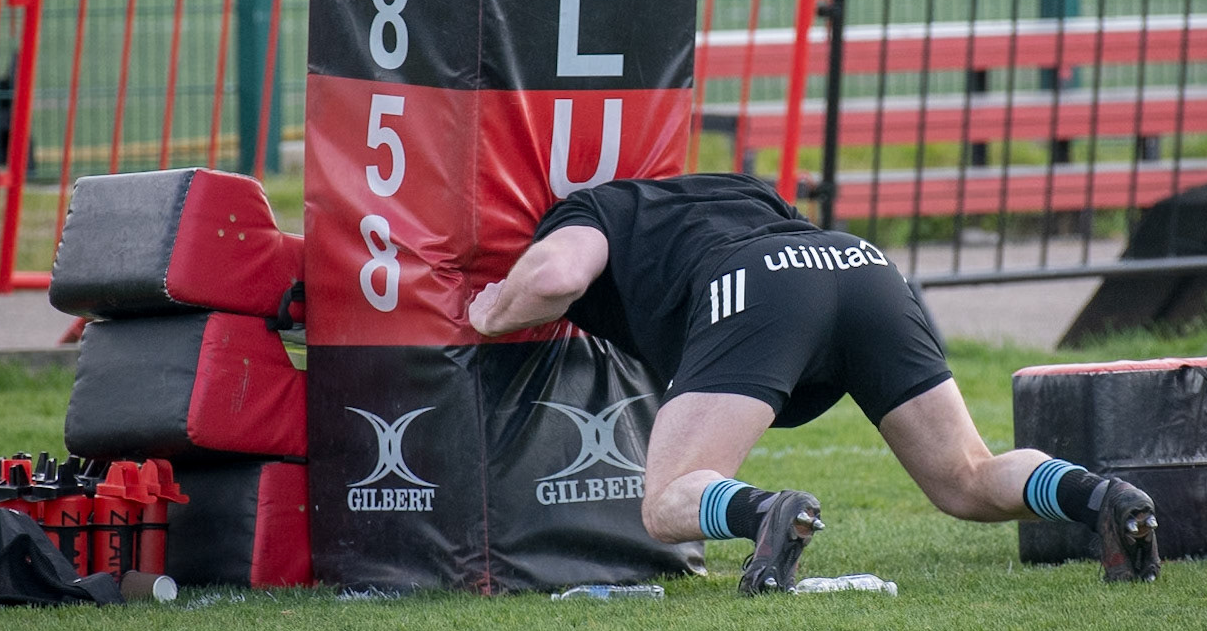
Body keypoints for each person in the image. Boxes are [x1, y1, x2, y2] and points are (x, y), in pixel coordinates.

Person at [468, 172, 1160, 591]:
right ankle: (1102, 496)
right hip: (861, 263)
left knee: (667, 501)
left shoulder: (591, 208)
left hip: (758, 284)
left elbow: (556, 276)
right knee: (966, 478)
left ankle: (764, 513)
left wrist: (490, 309)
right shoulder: (736, 189)